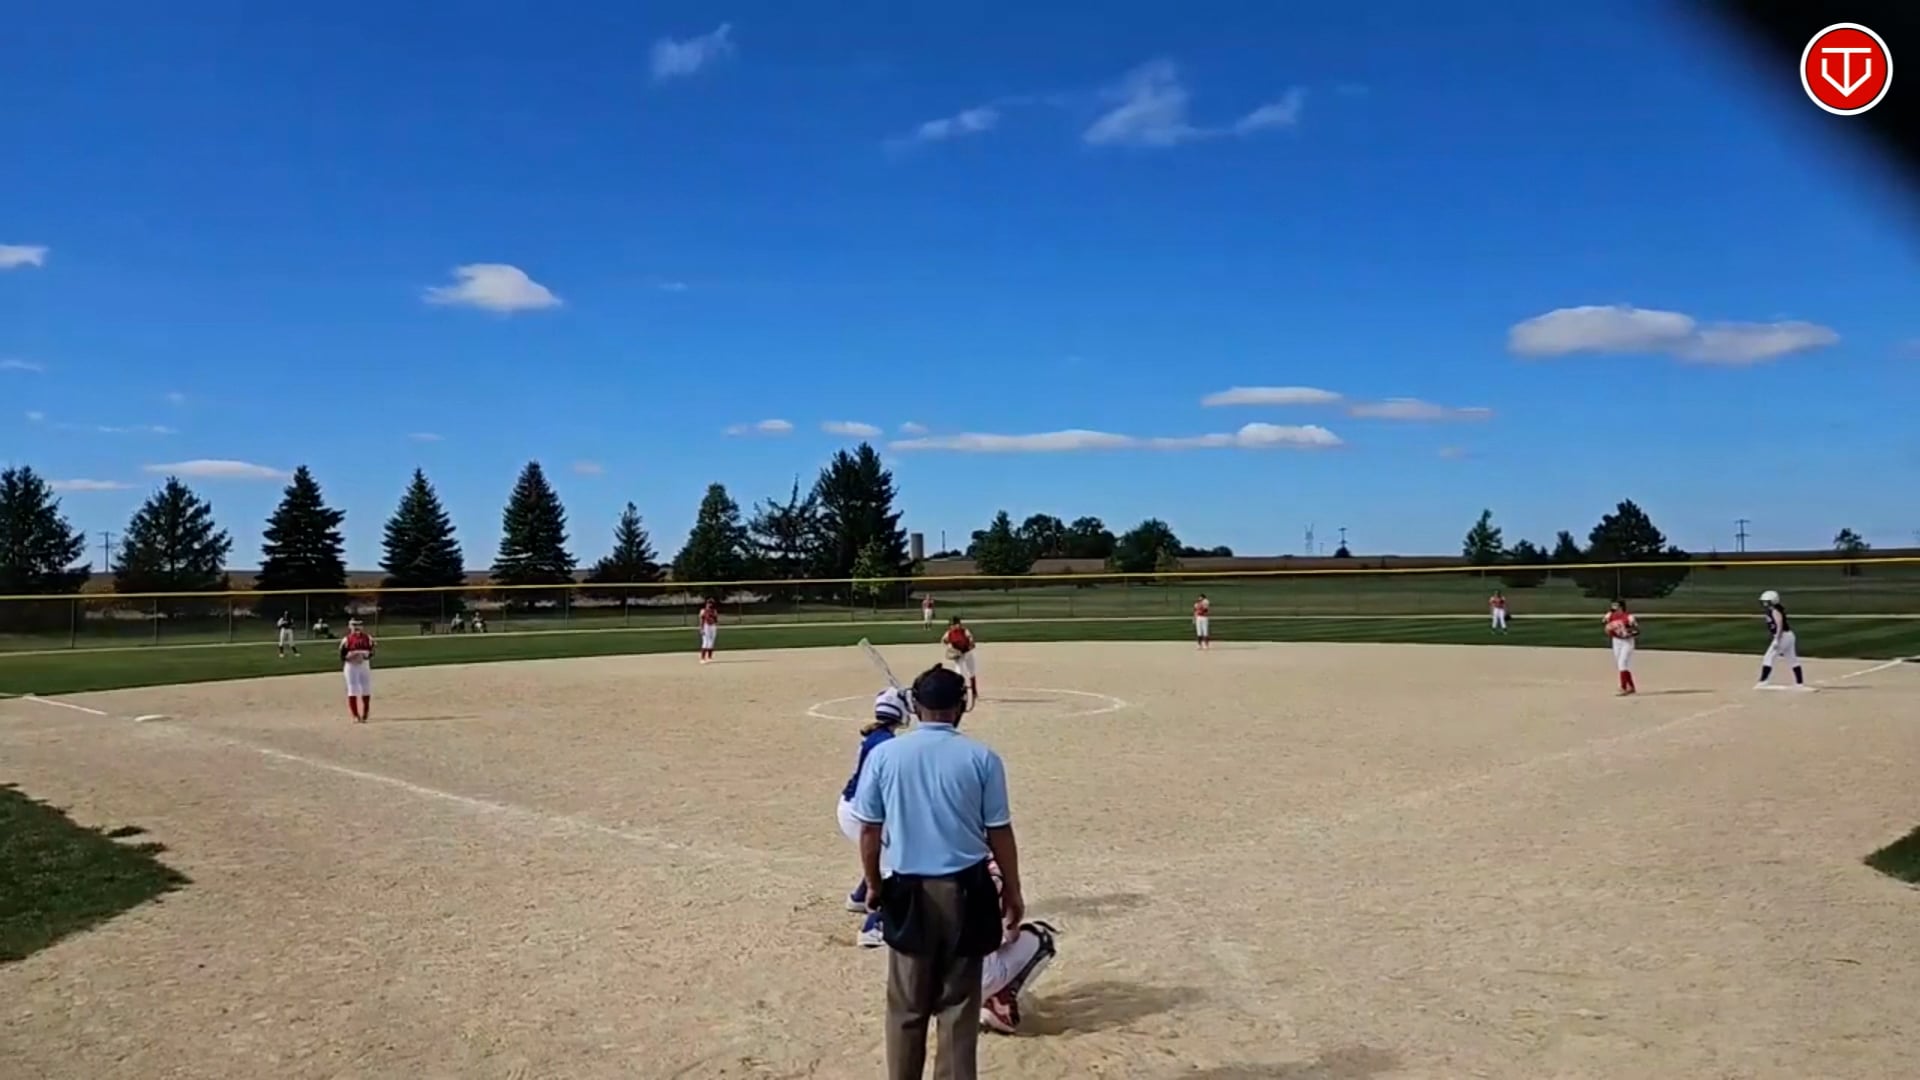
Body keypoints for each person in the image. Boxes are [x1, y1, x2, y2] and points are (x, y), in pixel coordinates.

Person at [853, 665, 1022, 1080]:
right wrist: (1013, 890)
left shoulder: (885, 755)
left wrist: (873, 884)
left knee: (906, 1009)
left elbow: (870, 830)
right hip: (967, 890)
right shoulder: (982, 758)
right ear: (961, 706)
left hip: (908, 892)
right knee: (958, 1008)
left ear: (915, 705)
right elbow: (999, 831)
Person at [839, 686, 911, 947]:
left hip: (851, 807)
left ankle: (860, 896)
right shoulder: (886, 743)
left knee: (883, 853)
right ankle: (874, 926)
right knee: (896, 863)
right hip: (860, 814)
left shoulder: (877, 736)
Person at [978, 858, 1059, 1035]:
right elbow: (1010, 935)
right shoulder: (989, 867)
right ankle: (999, 1005)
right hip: (973, 982)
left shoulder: (916, 866)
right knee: (1043, 935)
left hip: (924, 986)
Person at [1756, 589, 1806, 689]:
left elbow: (1780, 625)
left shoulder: (1775, 611)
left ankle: (1763, 681)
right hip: (1788, 636)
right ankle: (1799, 683)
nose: (1764, 603)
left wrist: (1777, 639)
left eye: (1766, 601)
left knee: (1768, 657)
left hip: (1783, 636)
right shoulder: (1775, 609)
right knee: (1792, 659)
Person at [340, 618, 377, 723]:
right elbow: (342, 656)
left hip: (364, 665)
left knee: (366, 688)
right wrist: (351, 657)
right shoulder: (347, 640)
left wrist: (365, 656)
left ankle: (365, 713)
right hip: (351, 666)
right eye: (354, 625)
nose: (356, 627)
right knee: (353, 688)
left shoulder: (368, 638)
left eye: (359, 625)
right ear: (349, 627)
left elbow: (372, 651)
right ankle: (355, 715)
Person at [1604, 599, 1638, 696]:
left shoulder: (1629, 617)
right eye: (1613, 605)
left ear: (1621, 607)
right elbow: (1606, 626)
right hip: (1616, 641)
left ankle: (1624, 688)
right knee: (1621, 665)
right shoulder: (1610, 615)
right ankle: (1631, 687)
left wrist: (1628, 633)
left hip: (1627, 642)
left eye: (1616, 605)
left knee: (1622, 664)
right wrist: (1609, 629)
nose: (1613, 607)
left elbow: (1636, 630)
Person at [942, 617, 978, 701]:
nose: (954, 626)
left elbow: (972, 642)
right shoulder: (949, 633)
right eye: (952, 625)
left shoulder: (965, 631)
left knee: (971, 672)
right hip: (959, 656)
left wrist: (970, 644)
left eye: (955, 624)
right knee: (959, 674)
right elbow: (943, 641)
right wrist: (951, 648)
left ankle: (974, 691)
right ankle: (961, 692)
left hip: (967, 653)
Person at [698, 599, 719, 664]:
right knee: (705, 641)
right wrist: (701, 628)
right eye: (709, 603)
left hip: (713, 626)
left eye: (711, 603)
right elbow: (701, 620)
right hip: (706, 626)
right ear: (706, 604)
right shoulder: (703, 611)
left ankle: (709, 657)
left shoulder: (714, 611)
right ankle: (702, 658)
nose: (710, 604)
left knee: (711, 642)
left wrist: (714, 617)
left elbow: (716, 620)